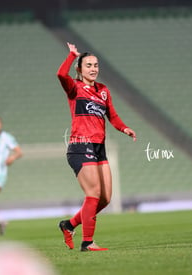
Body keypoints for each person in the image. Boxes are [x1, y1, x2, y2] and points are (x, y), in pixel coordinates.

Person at [56, 42, 136, 251]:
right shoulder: (74, 88)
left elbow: (113, 116)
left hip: (99, 147)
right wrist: (72, 55)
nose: (93, 69)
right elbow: (60, 75)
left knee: (106, 198)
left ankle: (69, 225)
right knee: (93, 193)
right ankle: (87, 242)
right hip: (80, 146)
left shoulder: (103, 90)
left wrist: (124, 128)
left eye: (96, 65)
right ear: (80, 69)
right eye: (89, 65)